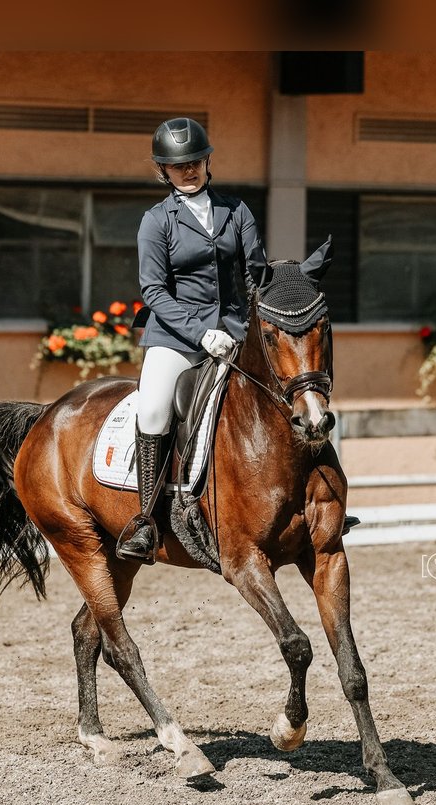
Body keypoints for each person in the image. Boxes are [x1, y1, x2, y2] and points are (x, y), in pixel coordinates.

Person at [116, 117, 268, 562]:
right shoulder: (156, 221)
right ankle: (145, 519)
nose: (189, 170)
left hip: (236, 330)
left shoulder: (235, 210)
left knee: (288, 390)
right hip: (176, 337)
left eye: (196, 161)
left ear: (207, 162)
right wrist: (202, 334)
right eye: (178, 165)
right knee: (154, 407)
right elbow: (153, 291)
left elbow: (255, 273)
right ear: (164, 170)